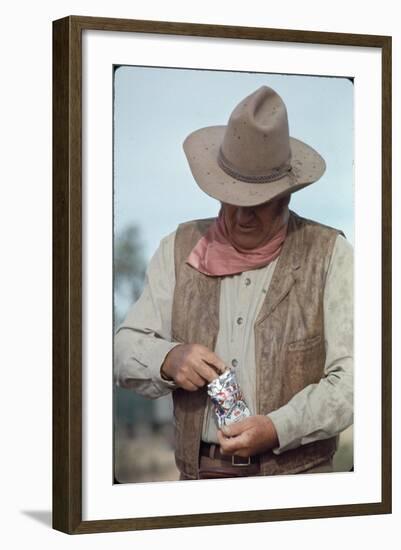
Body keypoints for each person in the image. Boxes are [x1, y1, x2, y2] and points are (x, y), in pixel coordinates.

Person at [114, 85, 353, 480]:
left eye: (257, 204)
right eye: (231, 199)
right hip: (200, 481)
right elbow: (120, 349)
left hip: (302, 485)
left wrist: (279, 428)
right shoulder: (176, 248)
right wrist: (168, 358)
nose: (241, 216)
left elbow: (356, 381)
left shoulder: (331, 255)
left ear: (286, 197)